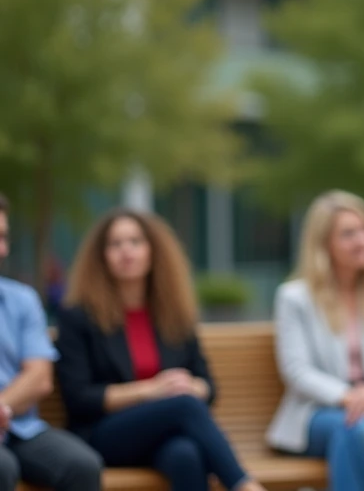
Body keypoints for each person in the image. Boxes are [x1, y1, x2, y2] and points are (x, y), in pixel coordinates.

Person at [54, 208, 266, 491]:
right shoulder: (79, 317)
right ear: (101, 257)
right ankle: (245, 486)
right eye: (115, 244)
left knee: (185, 455)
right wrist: (151, 390)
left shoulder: (173, 314)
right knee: (184, 407)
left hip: (164, 433)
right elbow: (79, 397)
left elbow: (208, 387)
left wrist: (190, 385)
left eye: (135, 242)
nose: (126, 251)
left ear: (153, 251)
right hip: (103, 434)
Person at [266, 190, 364, 491]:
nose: (362, 240)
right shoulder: (295, 298)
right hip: (316, 413)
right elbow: (297, 371)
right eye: (348, 234)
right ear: (323, 246)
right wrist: (351, 398)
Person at [0, 192, 104, 491]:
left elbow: (40, 377)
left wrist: (2, 408)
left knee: (82, 466)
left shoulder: (22, 300)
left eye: (4, 237)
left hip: (20, 427)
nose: (2, 248)